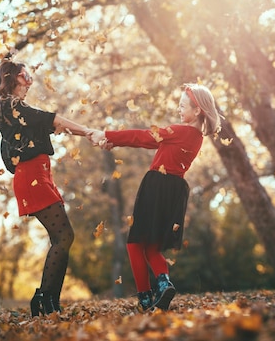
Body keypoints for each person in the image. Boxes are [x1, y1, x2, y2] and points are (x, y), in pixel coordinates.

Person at [88, 83, 221, 312]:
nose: (179, 110)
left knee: (134, 243)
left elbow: (144, 137)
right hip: (176, 192)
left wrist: (106, 134)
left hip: (156, 187)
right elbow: (149, 142)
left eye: (182, 106)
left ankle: (145, 297)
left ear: (197, 110)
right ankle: (163, 283)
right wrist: (113, 141)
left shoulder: (179, 131)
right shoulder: (197, 137)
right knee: (152, 247)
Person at [0, 53, 90, 317]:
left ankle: (48, 300)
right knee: (64, 236)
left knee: (61, 238)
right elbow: (55, 121)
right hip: (32, 177)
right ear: (10, 78)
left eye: (30, 76)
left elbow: (51, 126)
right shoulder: (11, 108)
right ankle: (45, 298)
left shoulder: (15, 111)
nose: (30, 81)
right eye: (24, 75)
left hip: (40, 175)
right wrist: (90, 132)